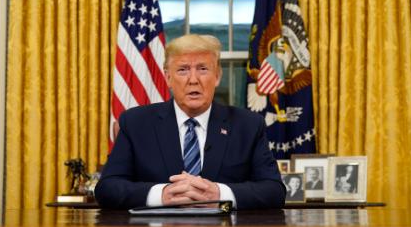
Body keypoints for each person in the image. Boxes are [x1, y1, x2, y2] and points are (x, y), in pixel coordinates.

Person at [95, 34, 286, 210]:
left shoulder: (248, 125)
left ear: (217, 76)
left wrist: (219, 194)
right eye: (183, 70)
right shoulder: (136, 123)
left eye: (203, 69)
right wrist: (162, 195)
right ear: (168, 78)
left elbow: (274, 191)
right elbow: (107, 188)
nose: (193, 80)